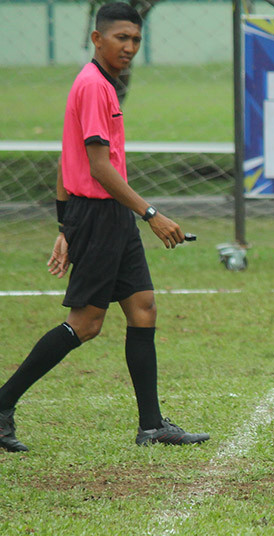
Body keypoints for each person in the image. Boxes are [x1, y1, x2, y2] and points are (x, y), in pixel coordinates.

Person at [0, 2, 208, 454]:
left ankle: (151, 425)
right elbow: (97, 168)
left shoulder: (101, 85)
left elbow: (68, 158)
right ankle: (2, 404)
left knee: (143, 308)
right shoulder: (94, 86)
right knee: (87, 323)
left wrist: (63, 223)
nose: (130, 47)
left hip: (103, 215)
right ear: (97, 38)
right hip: (100, 213)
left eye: (135, 39)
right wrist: (151, 215)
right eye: (121, 38)